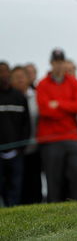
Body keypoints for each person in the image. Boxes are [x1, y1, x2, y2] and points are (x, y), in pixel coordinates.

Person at [36, 48, 77, 202]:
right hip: (50, 139)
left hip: (71, 137)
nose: (58, 65)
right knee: (53, 179)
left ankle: (75, 209)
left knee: (76, 174)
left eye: (61, 62)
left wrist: (57, 104)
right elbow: (45, 110)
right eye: (56, 62)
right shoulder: (43, 84)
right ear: (51, 63)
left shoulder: (74, 82)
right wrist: (68, 109)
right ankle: (53, 212)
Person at [9, 66, 42, 204]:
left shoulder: (37, 96)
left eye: (23, 76)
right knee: (16, 183)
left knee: (34, 182)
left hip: (35, 147)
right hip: (15, 150)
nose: (21, 79)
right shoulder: (8, 97)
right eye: (16, 77)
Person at [0, 62, 30, 207]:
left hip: (16, 152)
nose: (3, 75)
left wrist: (21, 147)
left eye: (6, 72)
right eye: (1, 72)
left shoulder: (19, 97)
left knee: (15, 185)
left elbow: (26, 125)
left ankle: (13, 210)